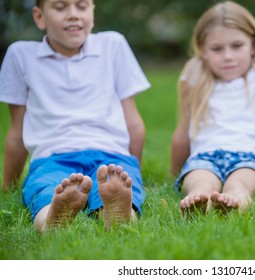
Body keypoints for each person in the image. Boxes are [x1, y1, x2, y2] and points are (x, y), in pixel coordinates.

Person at [0, 0, 150, 232]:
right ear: (39, 17)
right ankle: (52, 220)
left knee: (118, 186)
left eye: (81, 6)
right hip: (52, 158)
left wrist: (133, 169)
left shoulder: (113, 45)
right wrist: (7, 186)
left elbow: (133, 121)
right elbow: (16, 132)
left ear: (92, 11)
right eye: (61, 7)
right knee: (47, 192)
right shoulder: (21, 55)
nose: (73, 15)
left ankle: (119, 215)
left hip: (111, 154)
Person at [171, 1, 255, 215]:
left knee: (239, 184)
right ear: (202, 51)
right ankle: (199, 201)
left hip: (251, 157)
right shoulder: (196, 78)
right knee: (200, 181)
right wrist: (175, 173)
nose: (228, 56)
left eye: (237, 46)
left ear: (254, 45)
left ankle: (234, 203)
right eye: (217, 49)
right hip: (205, 156)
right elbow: (183, 132)